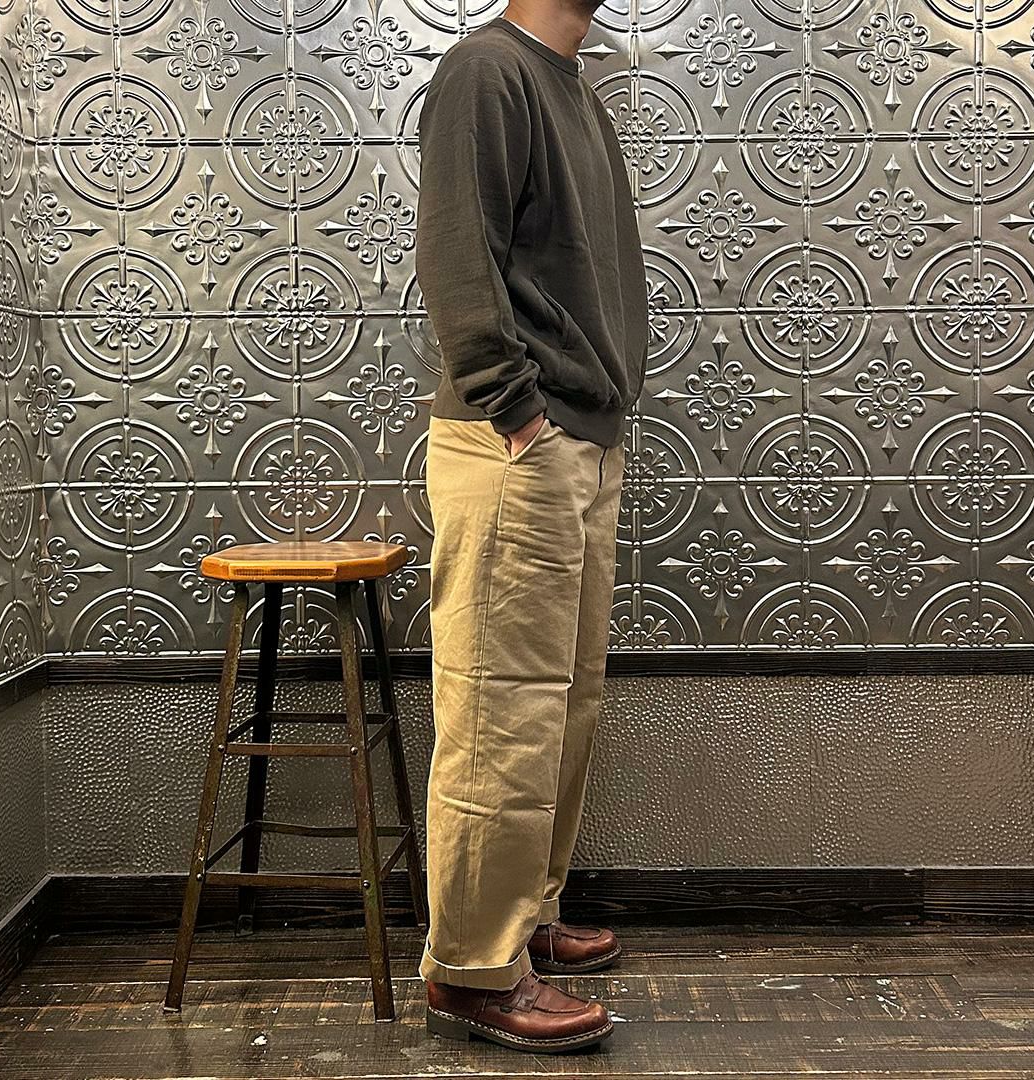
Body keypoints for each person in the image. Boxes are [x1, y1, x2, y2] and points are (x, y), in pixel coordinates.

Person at [414, 0, 648, 1054]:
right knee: (501, 707)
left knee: (563, 701)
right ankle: (471, 966)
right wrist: (518, 414)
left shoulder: (577, 91)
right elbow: (457, 255)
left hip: (581, 438)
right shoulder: (487, 69)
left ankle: (526, 916)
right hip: (518, 442)